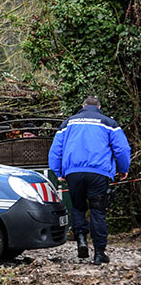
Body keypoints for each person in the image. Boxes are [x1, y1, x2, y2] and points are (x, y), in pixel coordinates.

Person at [48, 96, 131, 265]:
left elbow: (55, 150)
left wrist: (58, 171)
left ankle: (81, 241)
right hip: (99, 173)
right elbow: (122, 149)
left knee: (78, 207)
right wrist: (123, 169)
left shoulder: (68, 124)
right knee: (97, 210)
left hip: (74, 173)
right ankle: (99, 253)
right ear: (99, 107)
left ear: (83, 106)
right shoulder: (109, 123)